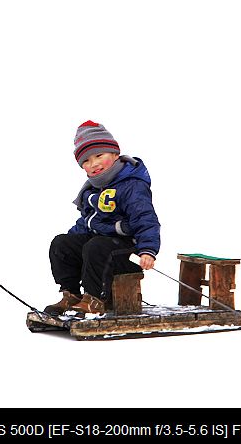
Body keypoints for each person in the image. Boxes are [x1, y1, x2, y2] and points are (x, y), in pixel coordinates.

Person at [44, 121, 161, 316]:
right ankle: (71, 295)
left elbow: (145, 218)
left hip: (127, 250)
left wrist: (147, 250)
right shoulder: (92, 189)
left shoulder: (131, 185)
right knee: (61, 243)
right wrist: (70, 245)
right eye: (87, 161)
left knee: (96, 246)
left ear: (115, 154)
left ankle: (95, 299)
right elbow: (89, 221)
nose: (94, 164)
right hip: (100, 246)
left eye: (99, 155)